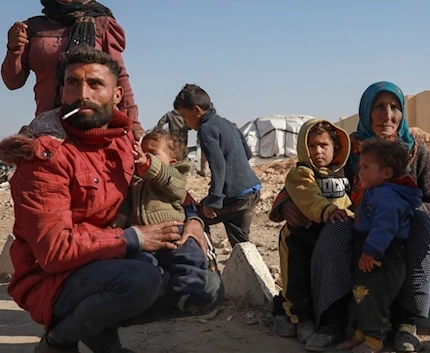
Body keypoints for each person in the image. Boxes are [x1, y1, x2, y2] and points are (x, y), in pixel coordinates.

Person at [0, 45, 223, 353]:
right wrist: (133, 237)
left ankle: (99, 331)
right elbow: (54, 252)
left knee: (206, 289)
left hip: (107, 260)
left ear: (117, 95)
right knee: (141, 278)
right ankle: (58, 341)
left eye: (95, 84)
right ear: (61, 90)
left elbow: (164, 187)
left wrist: (194, 218)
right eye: (73, 83)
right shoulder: (45, 156)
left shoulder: (121, 143)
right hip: (53, 278)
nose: (82, 94)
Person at [270, 81, 430, 352]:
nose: (387, 115)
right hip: (359, 227)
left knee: (422, 225)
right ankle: (332, 319)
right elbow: (312, 181)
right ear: (366, 110)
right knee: (335, 229)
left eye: (394, 107)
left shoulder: (415, 152)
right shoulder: (349, 152)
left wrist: (401, 211)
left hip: (399, 231)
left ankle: (406, 321)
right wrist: (286, 204)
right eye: (379, 106)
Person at [2, 0, 142, 138]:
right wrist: (14, 48)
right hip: (49, 128)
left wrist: (133, 125)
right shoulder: (32, 27)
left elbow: (118, 75)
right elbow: (13, 82)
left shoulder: (101, 23)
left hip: (93, 125)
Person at [112, 128, 218, 311]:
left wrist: (148, 165)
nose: (144, 157)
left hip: (174, 231)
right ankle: (159, 295)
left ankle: (191, 294)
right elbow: (125, 207)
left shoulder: (174, 178)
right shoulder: (136, 183)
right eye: (142, 153)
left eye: (152, 154)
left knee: (189, 257)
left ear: (172, 162)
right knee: (143, 264)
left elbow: (176, 187)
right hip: (145, 238)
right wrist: (116, 229)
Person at [336, 138, 422, 353]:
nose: (360, 172)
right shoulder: (378, 191)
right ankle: (361, 333)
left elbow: (384, 228)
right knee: (360, 294)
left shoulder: (388, 199)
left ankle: (374, 339)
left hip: (383, 257)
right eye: (360, 166)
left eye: (366, 168)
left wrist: (371, 251)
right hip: (368, 253)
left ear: (386, 173)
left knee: (373, 297)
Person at [273, 119, 353, 344]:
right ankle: (299, 318)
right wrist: (326, 210)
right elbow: (307, 196)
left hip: (329, 236)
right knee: (297, 279)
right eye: (311, 146)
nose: (317, 151)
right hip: (301, 236)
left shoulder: (341, 173)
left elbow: (345, 200)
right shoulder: (302, 173)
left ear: (334, 147)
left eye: (323, 145)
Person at [174, 84, 262, 247]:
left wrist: (213, 201)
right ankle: (253, 272)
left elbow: (219, 166)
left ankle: (209, 262)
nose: (185, 123)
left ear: (197, 110)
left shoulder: (205, 130)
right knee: (242, 244)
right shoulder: (227, 123)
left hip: (235, 197)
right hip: (252, 191)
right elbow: (247, 153)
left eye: (184, 117)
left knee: (197, 218)